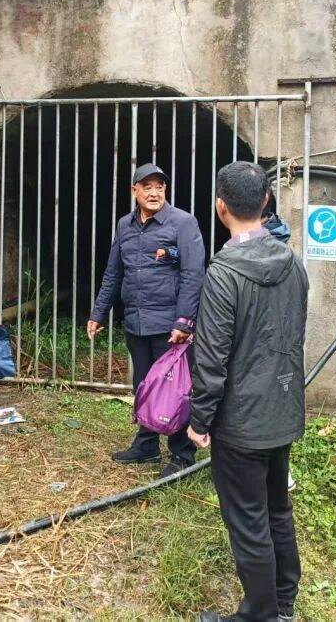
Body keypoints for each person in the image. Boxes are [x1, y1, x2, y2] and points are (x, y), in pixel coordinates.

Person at [188, 161, 309, 622]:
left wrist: (200, 419)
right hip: (281, 410)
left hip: (240, 422)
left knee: (248, 520)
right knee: (277, 508)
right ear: (266, 202)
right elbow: (293, 334)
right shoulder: (292, 264)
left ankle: (259, 614)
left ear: (221, 207)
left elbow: (211, 357)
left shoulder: (224, 273)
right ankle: (283, 602)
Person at [88, 162, 206, 477]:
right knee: (143, 384)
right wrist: (99, 313)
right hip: (136, 322)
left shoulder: (183, 223)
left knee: (176, 388)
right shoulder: (124, 225)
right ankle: (147, 443)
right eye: (147, 187)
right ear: (135, 191)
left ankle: (182, 453)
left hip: (170, 327)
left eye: (159, 187)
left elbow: (194, 274)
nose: (154, 193)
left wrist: (184, 321)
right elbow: (113, 272)